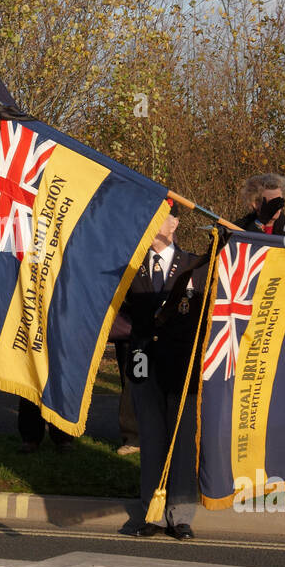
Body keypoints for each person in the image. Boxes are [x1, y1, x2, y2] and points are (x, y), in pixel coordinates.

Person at [120, 202, 204, 540]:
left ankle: (181, 514)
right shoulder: (131, 267)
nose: (156, 221)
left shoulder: (195, 265)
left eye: (163, 214)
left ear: (175, 223)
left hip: (182, 362)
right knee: (152, 436)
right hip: (143, 359)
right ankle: (152, 513)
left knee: (182, 439)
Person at [236, 173, 285, 239]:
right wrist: (260, 222)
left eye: (279, 201)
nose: (277, 206)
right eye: (271, 201)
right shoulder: (239, 228)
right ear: (255, 203)